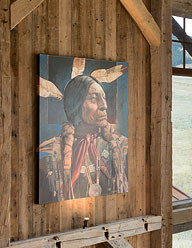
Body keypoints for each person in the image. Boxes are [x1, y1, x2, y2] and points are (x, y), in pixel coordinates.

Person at [39, 75, 128, 203]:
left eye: (103, 97)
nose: (104, 105)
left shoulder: (121, 147)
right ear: (75, 105)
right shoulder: (51, 155)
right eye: (93, 98)